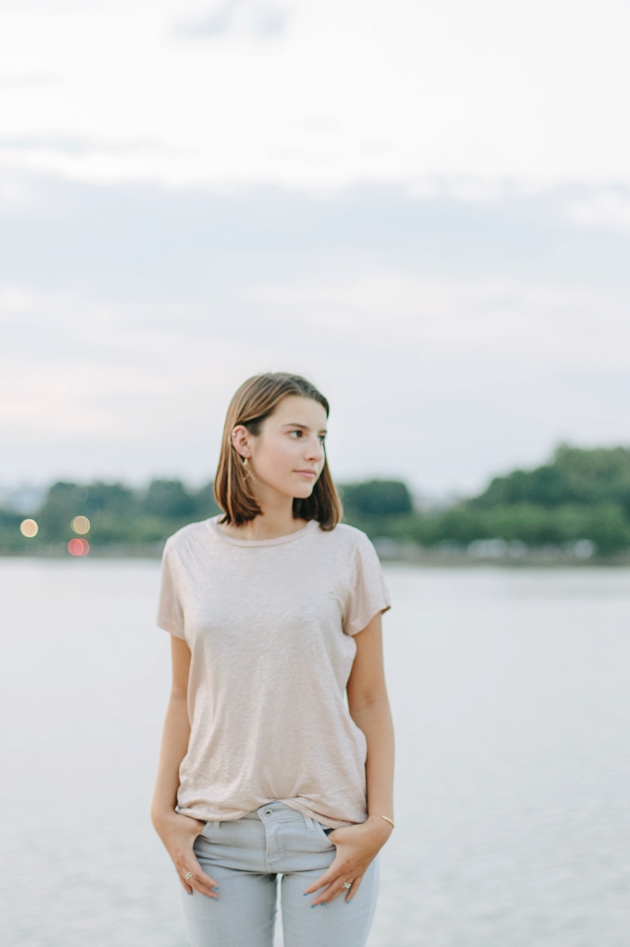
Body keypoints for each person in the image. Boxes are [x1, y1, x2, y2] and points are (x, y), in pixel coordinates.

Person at [150, 372, 396, 947]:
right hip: (217, 832)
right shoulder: (186, 552)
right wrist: (162, 813)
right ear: (243, 440)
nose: (314, 451)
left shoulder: (348, 550)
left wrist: (379, 823)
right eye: (296, 433)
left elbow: (370, 699)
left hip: (330, 831)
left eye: (322, 437)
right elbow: (184, 695)